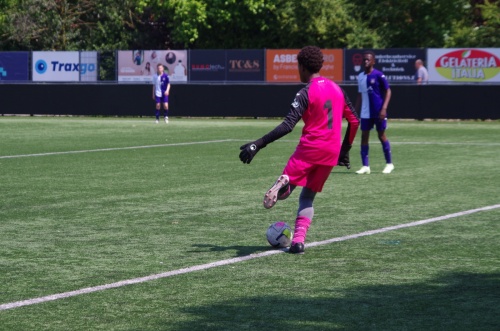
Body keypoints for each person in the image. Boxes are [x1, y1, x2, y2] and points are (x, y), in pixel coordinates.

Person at [239, 46, 359, 254]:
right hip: (330, 153)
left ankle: (284, 183)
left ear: (303, 67)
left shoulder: (306, 92)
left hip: (310, 149)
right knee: (307, 197)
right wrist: (345, 150)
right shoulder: (338, 89)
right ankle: (298, 242)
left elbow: (287, 125)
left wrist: (258, 144)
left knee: (285, 194)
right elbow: (354, 121)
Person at [355, 51, 394, 175]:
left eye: (368, 59)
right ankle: (365, 166)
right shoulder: (360, 76)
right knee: (364, 137)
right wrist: (355, 111)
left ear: (373, 61)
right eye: (364, 59)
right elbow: (360, 95)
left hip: (378, 111)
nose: (366, 61)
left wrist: (384, 108)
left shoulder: (379, 75)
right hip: (365, 113)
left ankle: (389, 164)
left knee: (381, 135)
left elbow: (388, 91)